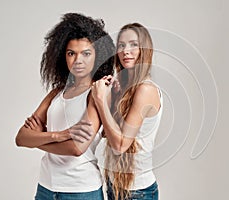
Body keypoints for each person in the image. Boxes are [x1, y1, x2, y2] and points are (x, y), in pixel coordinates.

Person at [15, 12, 115, 200]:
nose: (78, 60)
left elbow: (77, 148)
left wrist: (37, 140)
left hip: (80, 190)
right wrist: (59, 135)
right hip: (46, 187)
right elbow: (21, 138)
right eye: (71, 53)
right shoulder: (56, 93)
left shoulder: (97, 93)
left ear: (97, 56)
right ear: (64, 56)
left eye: (86, 53)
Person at [73, 23, 162, 200]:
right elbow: (108, 133)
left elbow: (120, 146)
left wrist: (100, 101)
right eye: (121, 45)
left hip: (138, 192)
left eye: (133, 44)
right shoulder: (126, 88)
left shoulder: (146, 89)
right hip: (115, 186)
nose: (125, 51)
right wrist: (113, 98)